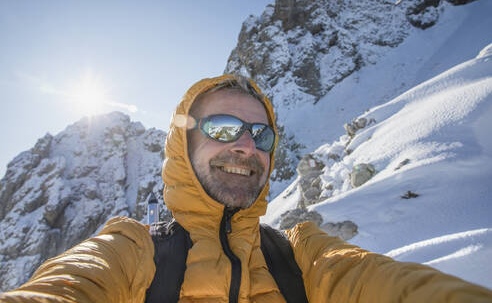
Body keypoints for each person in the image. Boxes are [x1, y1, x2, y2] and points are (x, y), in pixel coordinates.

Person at [1, 74, 492, 302]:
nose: (244, 146)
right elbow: (70, 286)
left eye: (260, 135)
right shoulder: (133, 250)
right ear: (183, 146)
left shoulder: (302, 254)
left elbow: (391, 286)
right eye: (220, 128)